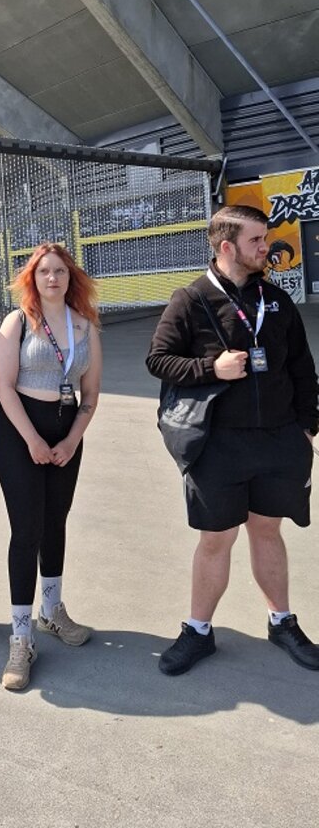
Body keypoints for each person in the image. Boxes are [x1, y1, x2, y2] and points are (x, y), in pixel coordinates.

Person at [146, 204, 319, 676]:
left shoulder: (277, 300)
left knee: (268, 530)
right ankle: (198, 631)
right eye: (256, 241)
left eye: (264, 239)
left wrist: (308, 425)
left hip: (279, 442)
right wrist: (210, 368)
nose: (267, 248)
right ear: (227, 247)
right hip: (218, 446)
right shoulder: (190, 299)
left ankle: (281, 622)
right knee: (216, 538)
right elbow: (158, 360)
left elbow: (302, 367)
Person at [0, 243, 102, 691]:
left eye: (59, 271)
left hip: (66, 432)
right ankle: (21, 636)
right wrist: (33, 439)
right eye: (43, 272)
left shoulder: (86, 325)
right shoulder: (18, 322)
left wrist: (72, 438)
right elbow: (3, 384)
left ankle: (52, 610)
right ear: (32, 280)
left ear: (71, 276)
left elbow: (90, 394)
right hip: (20, 433)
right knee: (27, 531)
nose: (52, 278)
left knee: (55, 522)